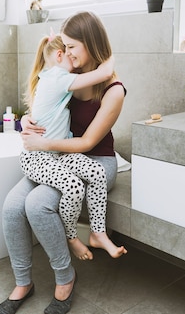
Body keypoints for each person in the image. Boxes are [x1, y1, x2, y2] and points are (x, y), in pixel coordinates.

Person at [0, 12, 127, 314]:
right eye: (64, 46)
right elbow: (44, 107)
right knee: (11, 206)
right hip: (56, 156)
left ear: (91, 44)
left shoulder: (113, 89)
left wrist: (41, 143)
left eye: (72, 47)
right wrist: (27, 122)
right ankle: (22, 281)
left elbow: (86, 143)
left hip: (94, 160)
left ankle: (65, 277)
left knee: (37, 204)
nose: (66, 53)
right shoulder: (65, 75)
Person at [19, 33, 126, 262]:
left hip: (57, 153)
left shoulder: (56, 75)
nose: (71, 55)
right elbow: (105, 72)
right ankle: (72, 237)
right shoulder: (58, 77)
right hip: (39, 157)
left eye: (73, 47)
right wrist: (108, 54)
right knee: (74, 186)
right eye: (67, 50)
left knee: (96, 172)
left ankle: (98, 232)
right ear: (59, 55)